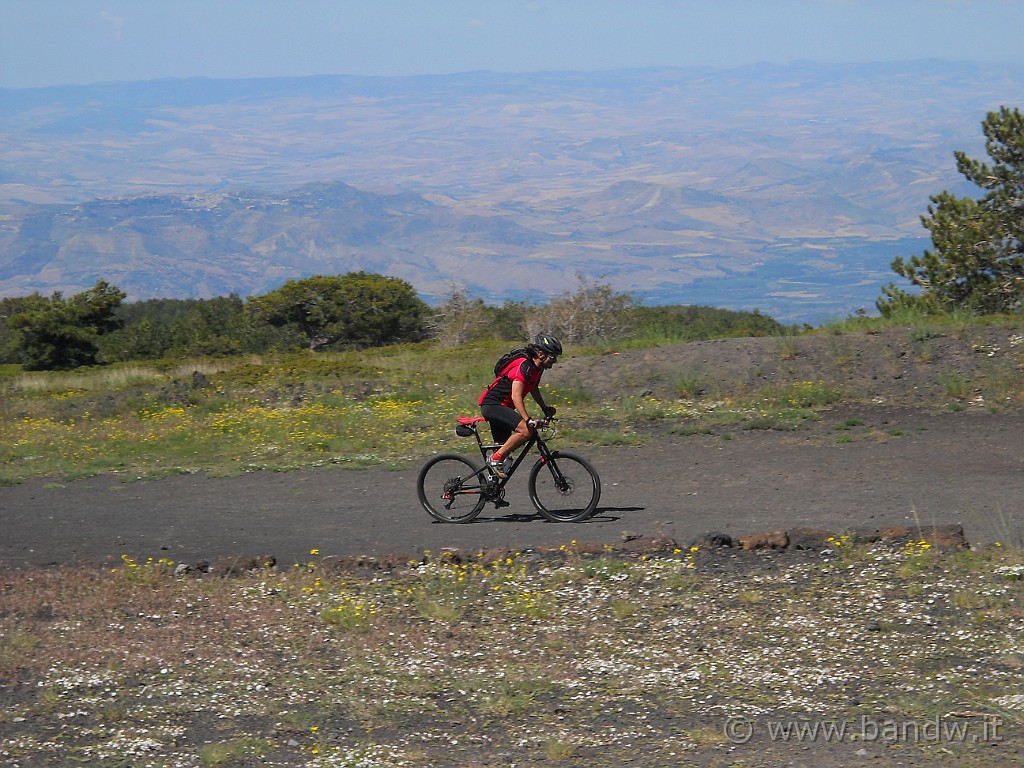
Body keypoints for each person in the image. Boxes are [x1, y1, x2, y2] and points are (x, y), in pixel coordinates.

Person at [478, 333, 562, 477]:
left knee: (505, 456)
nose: (554, 361)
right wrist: (527, 420)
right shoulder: (525, 366)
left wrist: (544, 408)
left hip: (504, 407)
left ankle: (492, 492)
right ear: (541, 354)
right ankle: (494, 459)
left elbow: (533, 388)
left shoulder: (538, 369)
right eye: (552, 357)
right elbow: (516, 396)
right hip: (493, 405)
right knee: (525, 431)